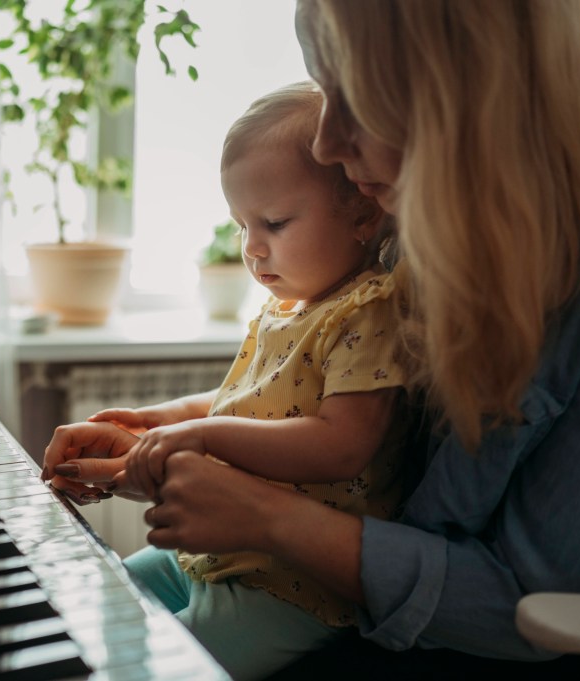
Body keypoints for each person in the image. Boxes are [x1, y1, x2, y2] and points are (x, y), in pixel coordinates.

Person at [42, 1, 580, 678]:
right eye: (325, 91)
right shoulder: (414, 210)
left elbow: (532, 604)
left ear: (466, 95)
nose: (326, 144)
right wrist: (162, 429)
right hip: (378, 593)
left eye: (358, 96)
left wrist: (268, 516)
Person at [45, 81, 415, 679]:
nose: (252, 247)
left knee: (162, 670)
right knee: (97, 607)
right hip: (220, 558)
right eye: (241, 225)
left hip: (292, 587)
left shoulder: (368, 310)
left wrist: (203, 437)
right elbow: (245, 402)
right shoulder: (289, 307)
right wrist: (158, 421)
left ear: (363, 214)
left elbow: (342, 445)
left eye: (273, 221)